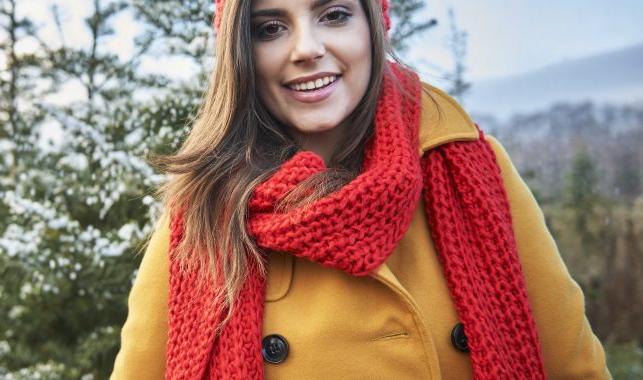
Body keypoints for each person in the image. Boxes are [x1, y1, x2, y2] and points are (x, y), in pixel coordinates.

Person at [112, 0, 610, 378]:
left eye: (333, 14)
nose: (306, 48)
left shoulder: (473, 170)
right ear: (240, 52)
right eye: (271, 27)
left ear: (373, 24)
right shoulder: (204, 210)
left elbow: (575, 368)